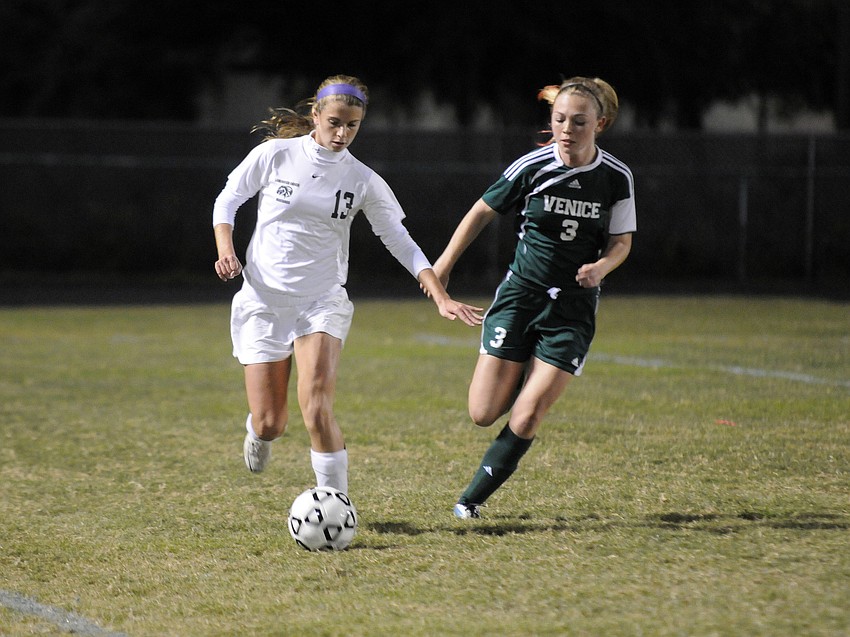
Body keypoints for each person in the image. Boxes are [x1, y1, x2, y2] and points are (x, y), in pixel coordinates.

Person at [212, 74, 482, 495]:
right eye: (334, 122)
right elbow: (228, 199)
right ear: (316, 115)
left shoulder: (362, 179)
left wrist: (440, 295)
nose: (342, 134)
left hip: (321, 302)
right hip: (263, 300)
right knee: (271, 423)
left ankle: (336, 504)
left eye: (352, 125)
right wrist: (226, 250)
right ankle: (258, 431)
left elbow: (399, 239)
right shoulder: (275, 155)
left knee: (317, 407)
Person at [428, 76, 636, 519]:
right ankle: (525, 369)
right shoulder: (532, 166)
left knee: (526, 415)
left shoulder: (616, 177)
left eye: (578, 122)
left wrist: (602, 267)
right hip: (520, 298)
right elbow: (481, 211)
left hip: (572, 309)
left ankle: (469, 502)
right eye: (559, 119)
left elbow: (622, 242)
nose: (566, 130)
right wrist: (443, 266)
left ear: (600, 124)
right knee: (482, 412)